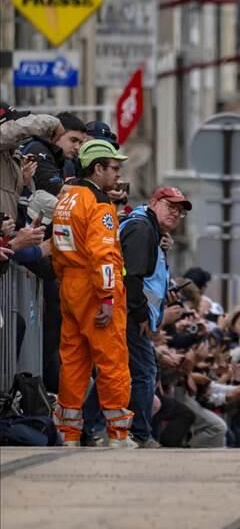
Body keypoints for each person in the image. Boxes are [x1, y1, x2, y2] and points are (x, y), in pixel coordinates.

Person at [50, 139, 134, 447]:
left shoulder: (67, 198)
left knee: (73, 361)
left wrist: (66, 281)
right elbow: (103, 255)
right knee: (111, 359)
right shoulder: (99, 205)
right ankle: (118, 433)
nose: (118, 174)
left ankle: (68, 433)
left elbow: (57, 249)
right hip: (94, 287)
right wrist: (107, 297)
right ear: (97, 168)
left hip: (70, 285)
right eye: (113, 168)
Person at [119, 186, 191, 447]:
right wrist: (141, 315)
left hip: (130, 311)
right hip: (128, 312)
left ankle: (96, 425)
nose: (175, 213)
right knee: (143, 372)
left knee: (120, 371)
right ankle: (139, 433)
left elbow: (148, 278)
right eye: (170, 206)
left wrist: (162, 296)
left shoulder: (151, 231)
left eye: (180, 211)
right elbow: (132, 277)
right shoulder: (142, 229)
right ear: (153, 203)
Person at [1, 105, 60, 223]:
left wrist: (24, 183)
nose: (21, 135)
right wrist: (54, 123)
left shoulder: (12, 155)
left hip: (9, 231)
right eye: (13, 123)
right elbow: (16, 130)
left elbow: (14, 201)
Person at [20, 110, 87, 196]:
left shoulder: (58, 156)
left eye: (80, 143)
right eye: (73, 140)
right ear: (57, 134)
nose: (77, 147)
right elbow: (55, 189)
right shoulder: (38, 150)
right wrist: (92, 193)